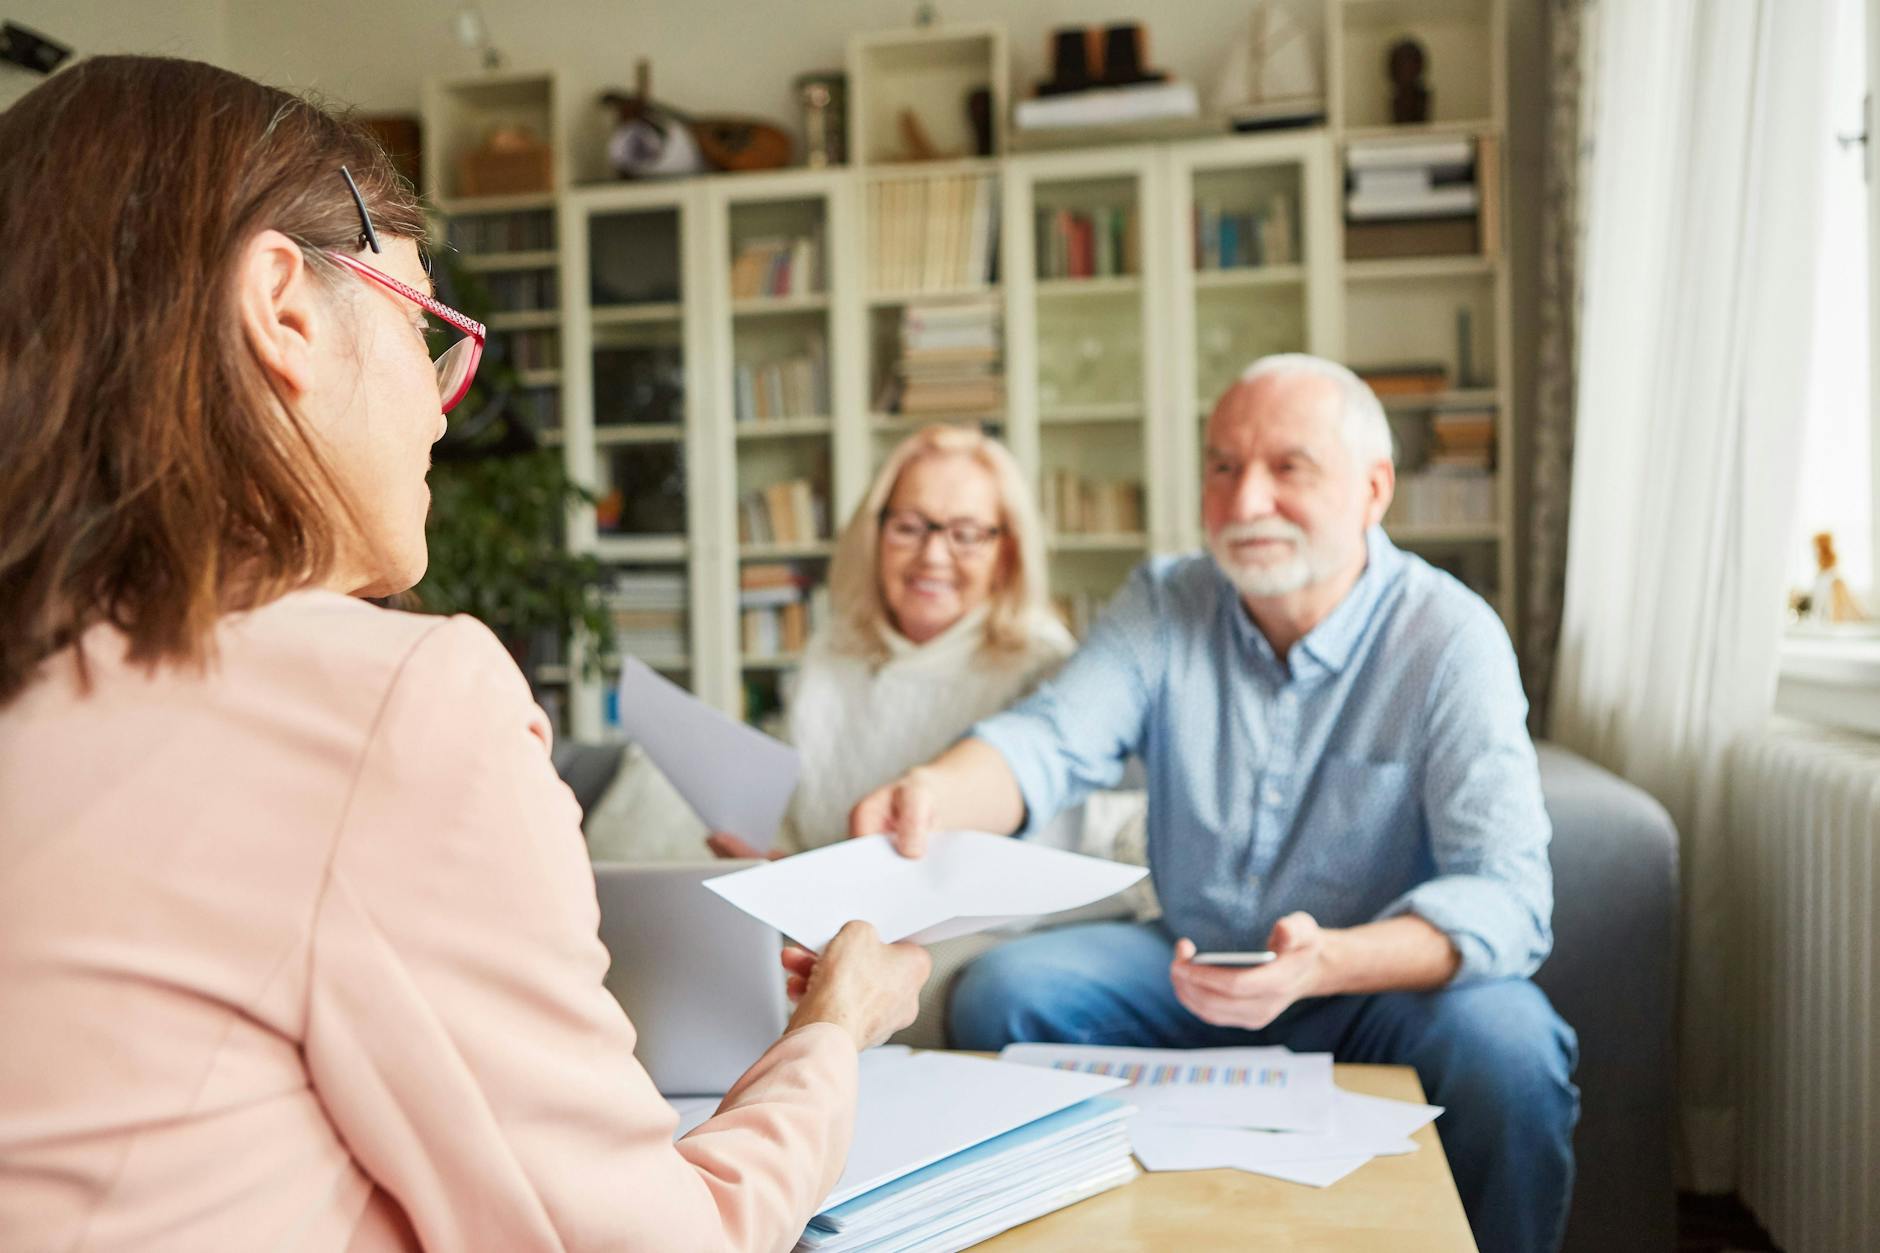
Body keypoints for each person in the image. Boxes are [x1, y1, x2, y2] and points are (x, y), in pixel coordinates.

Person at [0, 56, 927, 1252]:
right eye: (426, 328)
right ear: (283, 306)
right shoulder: (384, 699)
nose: (445, 407)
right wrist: (834, 1032)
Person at [850, 354, 1580, 1252]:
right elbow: (1048, 738)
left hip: (1373, 980)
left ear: (1374, 488)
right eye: (1223, 466)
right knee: (1007, 992)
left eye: (1289, 468)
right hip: (1188, 962)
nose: (1245, 501)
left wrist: (1328, 962)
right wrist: (933, 791)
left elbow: (1507, 896)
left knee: (1513, 1051)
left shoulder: (1453, 637)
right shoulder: (1166, 600)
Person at [706, 426, 1148, 1044]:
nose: (933, 557)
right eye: (910, 527)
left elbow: (1025, 878)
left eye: (966, 534)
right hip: (838, 924)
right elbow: (815, 830)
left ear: (1007, 553)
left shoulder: (1046, 668)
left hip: (980, 939)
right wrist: (781, 871)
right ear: (875, 534)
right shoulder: (829, 658)